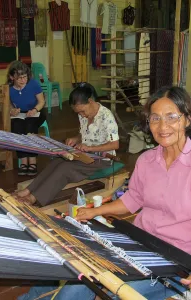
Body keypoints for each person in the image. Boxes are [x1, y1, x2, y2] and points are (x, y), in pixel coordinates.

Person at [18, 86, 191, 300]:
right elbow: (133, 199)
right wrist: (93, 211)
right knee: (74, 281)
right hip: (138, 244)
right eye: (155, 118)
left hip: (176, 262)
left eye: (171, 117)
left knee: (103, 293)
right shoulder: (147, 160)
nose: (163, 126)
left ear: (187, 119)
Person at [16, 83, 119, 207]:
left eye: (82, 111)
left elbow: (114, 145)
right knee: (57, 161)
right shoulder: (84, 114)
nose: (81, 115)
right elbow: (84, 134)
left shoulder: (106, 117)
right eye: (78, 113)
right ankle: (28, 190)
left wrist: (90, 148)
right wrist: (76, 139)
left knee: (65, 169)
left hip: (101, 159)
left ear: (90, 101)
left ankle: (33, 198)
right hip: (85, 155)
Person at [7, 61, 46, 176]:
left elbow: (41, 101)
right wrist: (12, 110)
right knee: (17, 127)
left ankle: (32, 159)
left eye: (25, 77)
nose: (23, 80)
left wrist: (34, 110)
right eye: (19, 78)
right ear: (11, 77)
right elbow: (8, 105)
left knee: (30, 126)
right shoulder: (9, 88)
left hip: (36, 111)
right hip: (20, 114)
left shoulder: (33, 84)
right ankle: (23, 159)